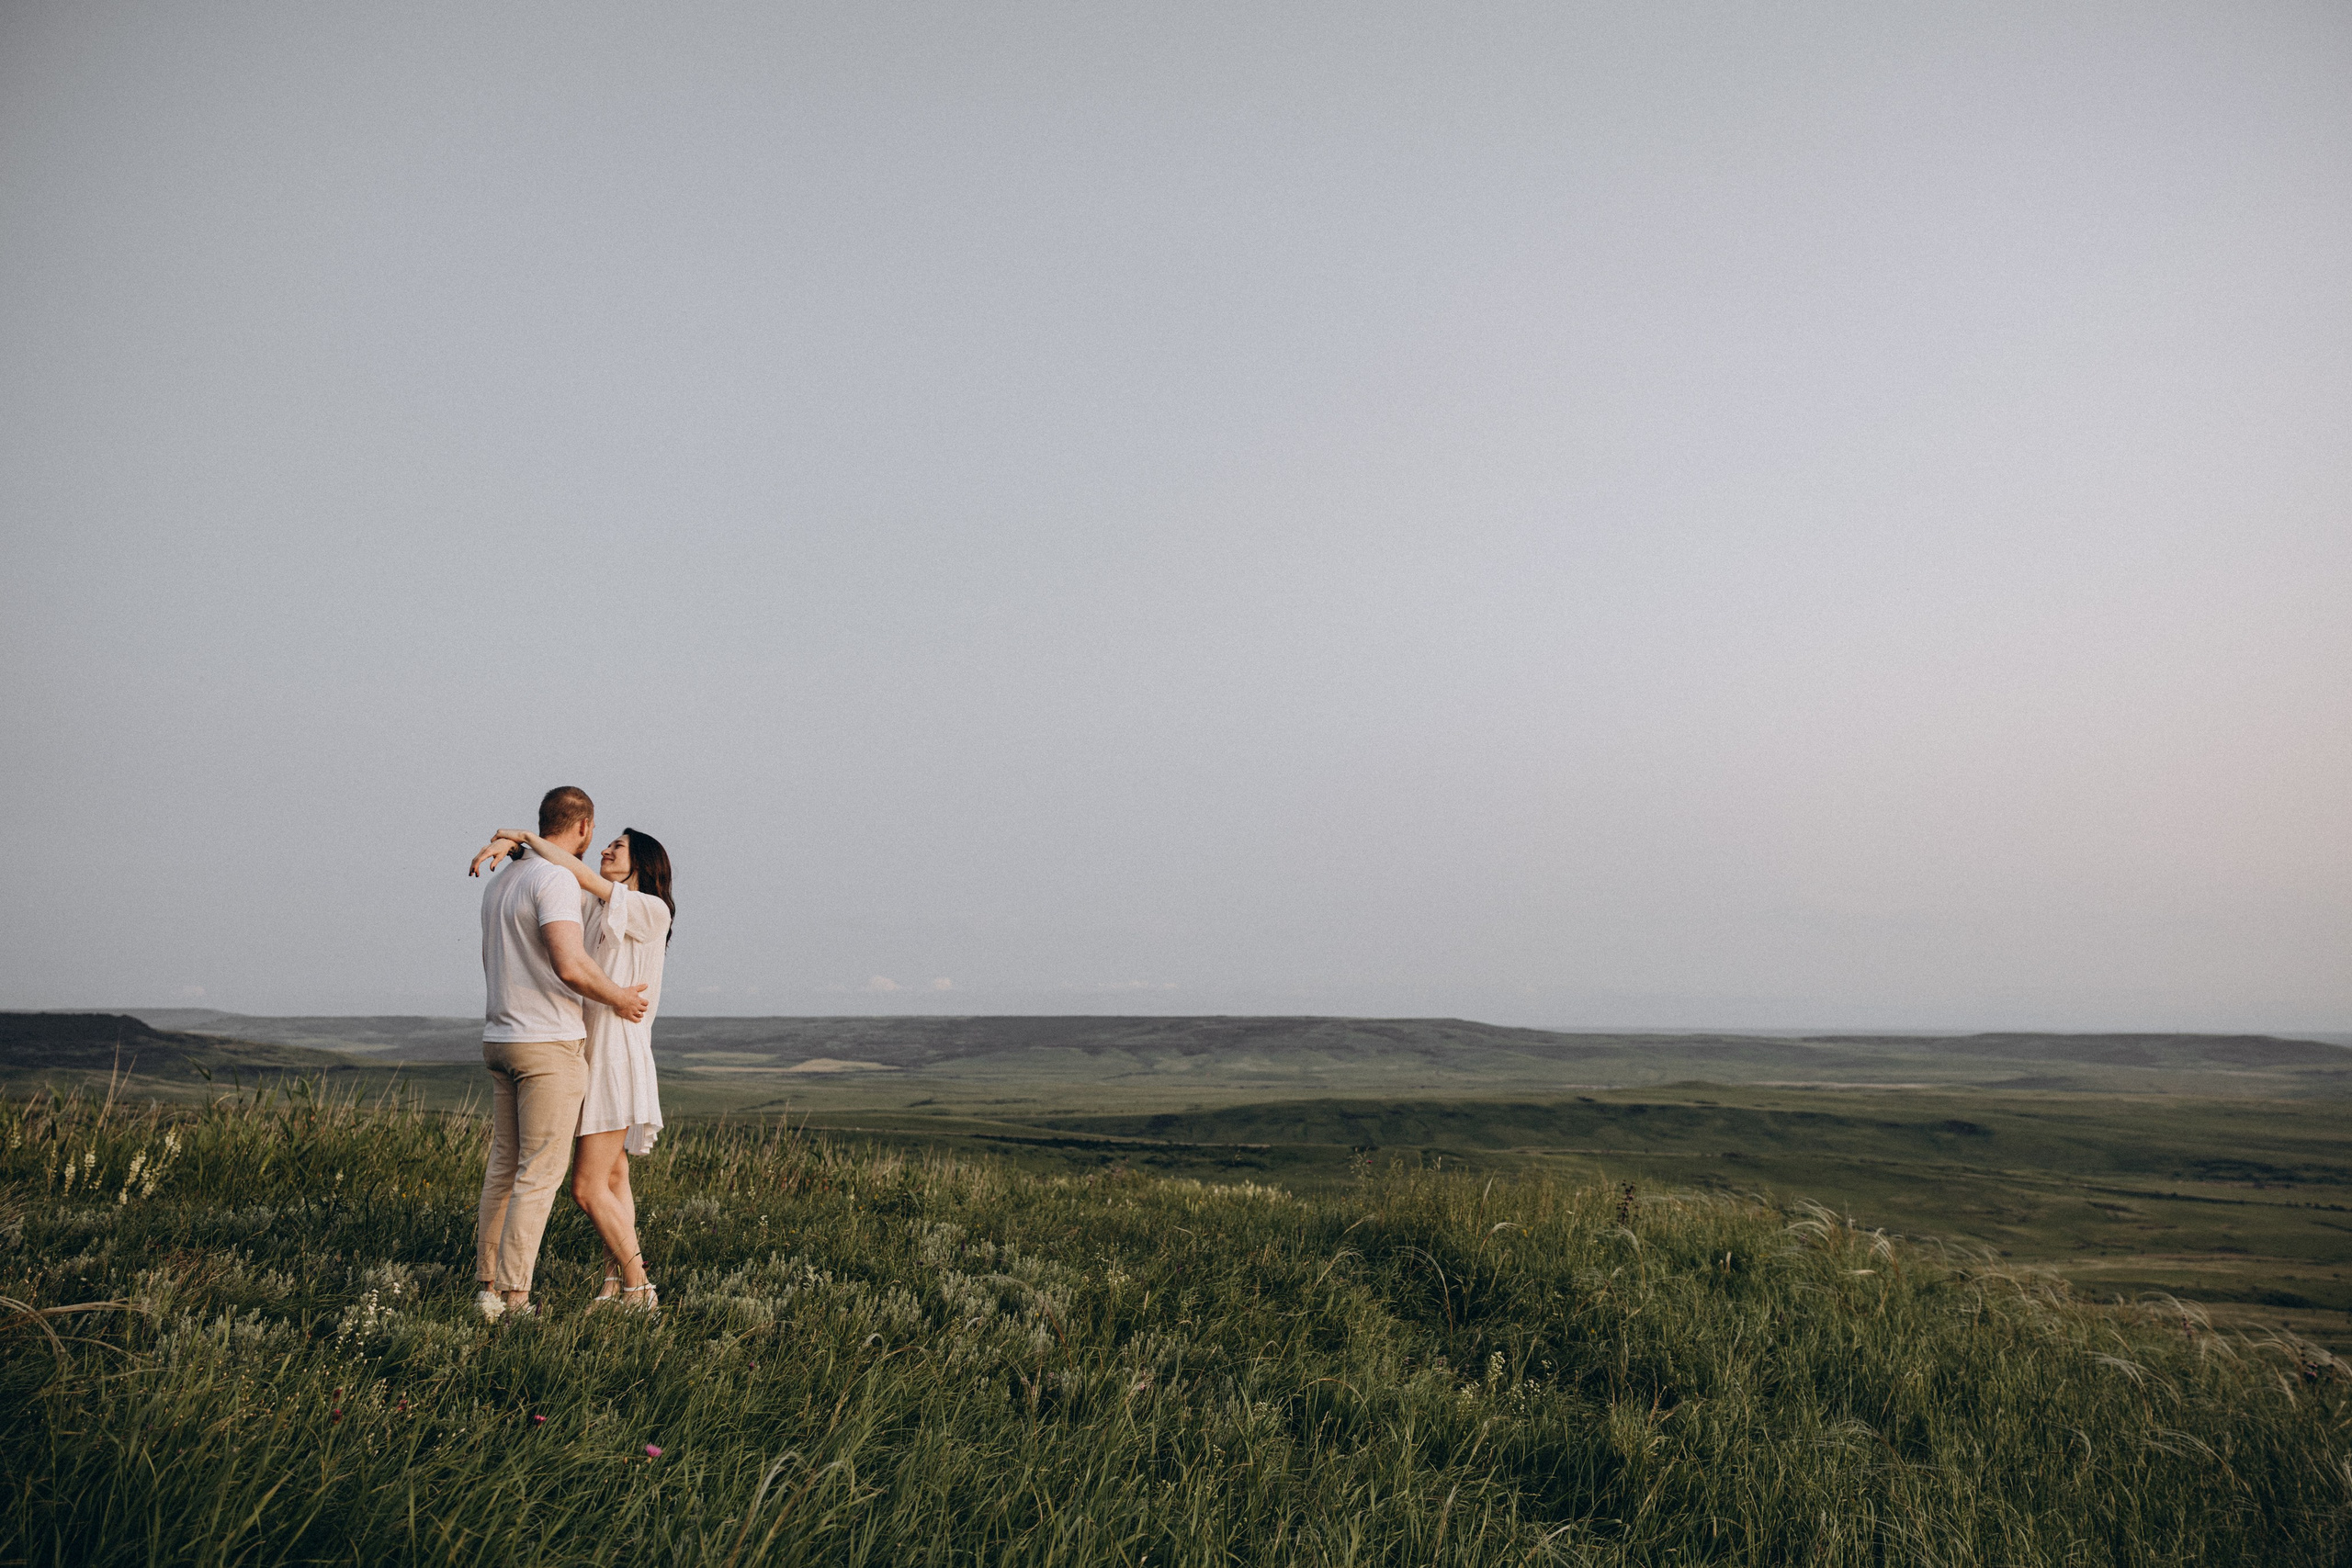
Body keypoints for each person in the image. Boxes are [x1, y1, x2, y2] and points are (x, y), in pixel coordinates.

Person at [473, 821, 673, 1310]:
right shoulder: (599, 907)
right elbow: (562, 880)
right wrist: (513, 847)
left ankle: (638, 1284)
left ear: (643, 863)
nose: (605, 848)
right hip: (587, 1048)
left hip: (615, 1056)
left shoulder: (651, 910)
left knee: (585, 1188)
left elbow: (576, 874)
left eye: (618, 847)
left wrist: (522, 835)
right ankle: (616, 1286)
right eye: (605, 842)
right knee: (613, 1179)